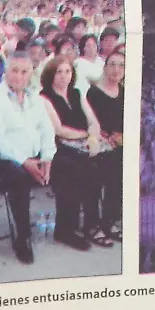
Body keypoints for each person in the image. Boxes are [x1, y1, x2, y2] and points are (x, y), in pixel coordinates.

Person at [0, 51, 56, 264]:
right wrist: (24, 162)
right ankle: (24, 238)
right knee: (19, 177)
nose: (19, 77)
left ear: (31, 73)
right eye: (14, 71)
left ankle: (68, 228)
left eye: (24, 72)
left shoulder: (35, 98)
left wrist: (47, 158)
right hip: (2, 158)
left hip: (34, 156)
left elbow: (47, 130)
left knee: (73, 165)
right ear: (5, 71)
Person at [40, 56, 111, 250]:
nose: (64, 76)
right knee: (77, 170)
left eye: (67, 72)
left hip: (84, 144)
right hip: (58, 148)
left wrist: (93, 139)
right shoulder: (44, 97)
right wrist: (85, 134)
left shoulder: (77, 93)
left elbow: (93, 122)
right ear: (51, 75)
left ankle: (92, 223)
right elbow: (59, 129)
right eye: (59, 72)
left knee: (102, 166)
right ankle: (66, 230)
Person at [86, 51, 125, 241]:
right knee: (96, 178)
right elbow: (89, 121)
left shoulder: (125, 92)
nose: (116, 70)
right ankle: (92, 224)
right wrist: (105, 136)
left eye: (121, 65)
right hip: (98, 144)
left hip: (118, 145)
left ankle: (110, 221)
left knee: (118, 179)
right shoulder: (94, 92)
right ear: (105, 67)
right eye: (112, 64)